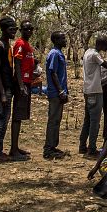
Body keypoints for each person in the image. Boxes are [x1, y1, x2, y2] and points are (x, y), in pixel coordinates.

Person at [0, 16, 18, 161]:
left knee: (1, 118)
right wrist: (2, 93)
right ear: (4, 29)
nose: (14, 32)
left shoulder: (7, 44)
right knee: (2, 119)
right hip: (2, 88)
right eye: (11, 29)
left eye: (15, 29)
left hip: (7, 86)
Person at [79, 36, 107, 157]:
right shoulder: (95, 55)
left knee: (87, 120)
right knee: (95, 122)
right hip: (95, 91)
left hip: (87, 90)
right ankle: (91, 149)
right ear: (103, 46)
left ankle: (82, 145)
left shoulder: (88, 52)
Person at [10, 20, 37, 160]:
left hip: (27, 82)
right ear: (21, 30)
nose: (29, 32)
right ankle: (13, 150)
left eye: (31, 29)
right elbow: (18, 64)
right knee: (17, 116)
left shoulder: (28, 45)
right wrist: (21, 86)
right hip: (22, 84)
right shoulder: (20, 44)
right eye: (26, 29)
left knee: (20, 116)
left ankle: (16, 147)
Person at [43, 30, 69, 159]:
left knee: (57, 120)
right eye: (63, 38)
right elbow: (53, 73)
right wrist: (60, 91)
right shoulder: (54, 54)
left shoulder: (59, 53)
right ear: (56, 40)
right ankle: (48, 149)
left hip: (59, 92)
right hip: (55, 92)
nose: (65, 40)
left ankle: (53, 146)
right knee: (53, 120)